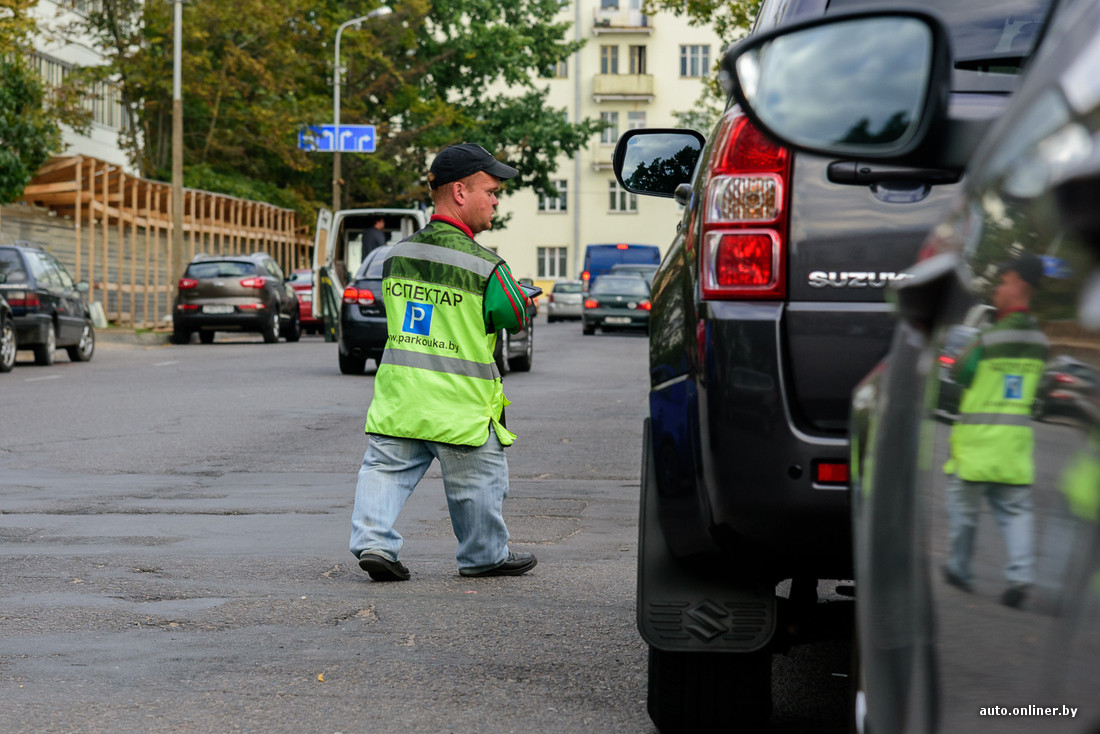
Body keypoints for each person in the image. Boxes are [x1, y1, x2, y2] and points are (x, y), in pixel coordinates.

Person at [349, 143, 537, 581]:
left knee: (383, 471)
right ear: (459, 191)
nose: (495, 200)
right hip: (460, 408)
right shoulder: (486, 265)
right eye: (490, 191)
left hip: (402, 401)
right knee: (479, 484)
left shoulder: (396, 256)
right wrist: (520, 296)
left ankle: (374, 544)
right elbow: (513, 315)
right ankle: (483, 555)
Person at [942, 253, 1049, 608]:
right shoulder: (1040, 342)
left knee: (964, 511)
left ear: (1019, 283)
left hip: (977, 445)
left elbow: (960, 371)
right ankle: (1021, 576)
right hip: (1013, 448)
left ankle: (959, 568)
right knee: (1015, 513)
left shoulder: (989, 339)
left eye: (1003, 281)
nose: (999, 289)